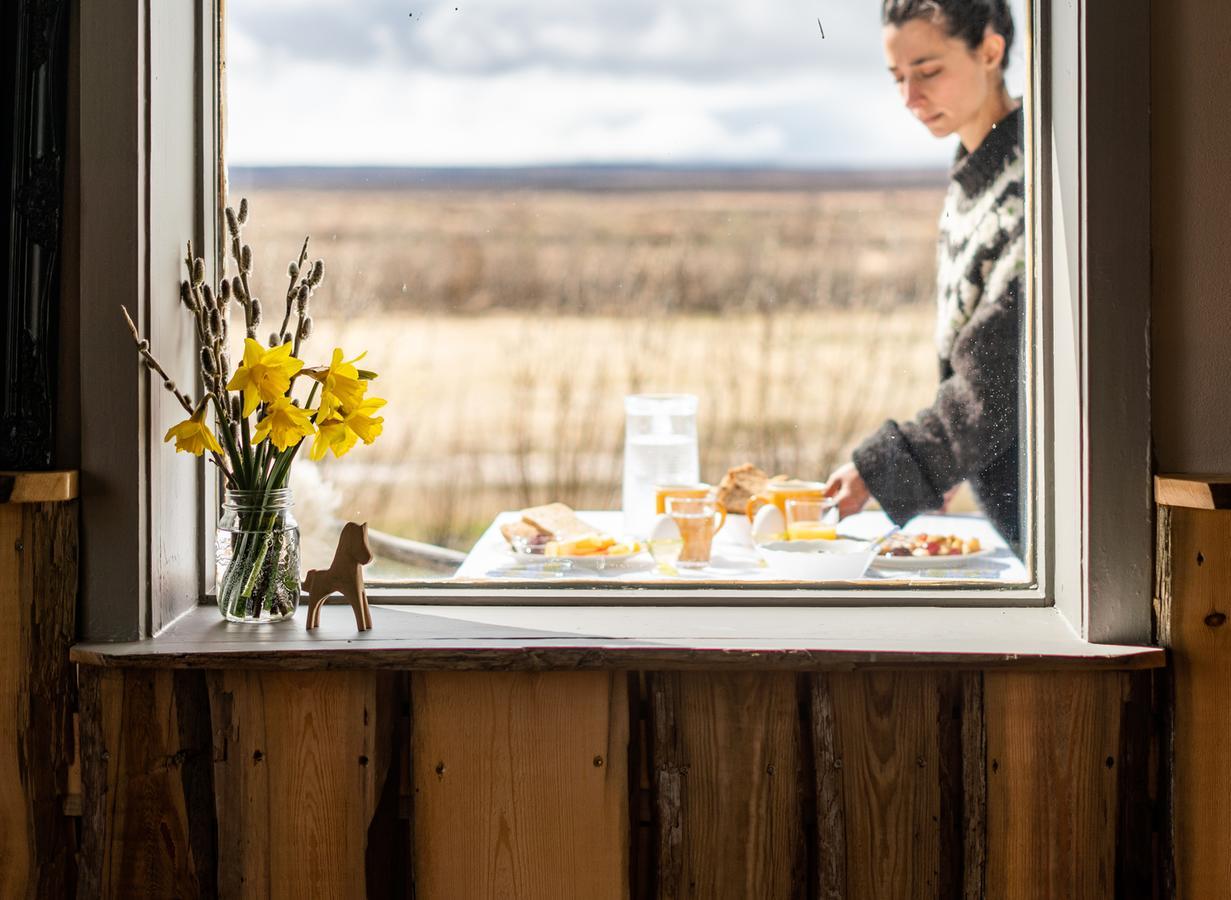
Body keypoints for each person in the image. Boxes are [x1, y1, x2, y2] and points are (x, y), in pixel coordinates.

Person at [824, 0, 1025, 548]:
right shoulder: (974, 175)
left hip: (1059, 516)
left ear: (989, 50)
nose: (910, 98)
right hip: (1013, 512)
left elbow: (1001, 373)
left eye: (928, 71)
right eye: (897, 78)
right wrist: (936, 468)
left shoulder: (1035, 183)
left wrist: (895, 464)